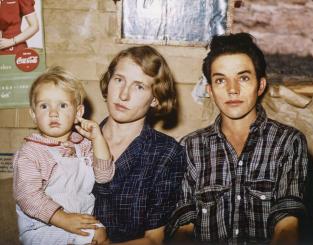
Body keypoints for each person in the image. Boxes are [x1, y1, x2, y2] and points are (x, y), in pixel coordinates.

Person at [166, 33, 308, 244]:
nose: (232, 90)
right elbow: (184, 228)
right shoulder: (190, 146)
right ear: (210, 91)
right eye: (221, 80)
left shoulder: (288, 142)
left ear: (260, 86)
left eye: (243, 78)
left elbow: (287, 225)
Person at [92, 45, 186, 244]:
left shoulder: (167, 153)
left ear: (155, 98)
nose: (123, 95)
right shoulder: (78, 140)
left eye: (139, 86)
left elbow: (154, 239)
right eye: (119, 80)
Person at [13, 66, 115, 244]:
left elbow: (104, 176)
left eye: (62, 105)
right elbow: (27, 195)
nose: (53, 112)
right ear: (34, 114)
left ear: (78, 113)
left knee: (101, 235)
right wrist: (63, 219)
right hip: (41, 227)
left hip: (77, 219)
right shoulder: (31, 152)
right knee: (91, 239)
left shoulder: (83, 145)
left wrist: (98, 138)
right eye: (44, 106)